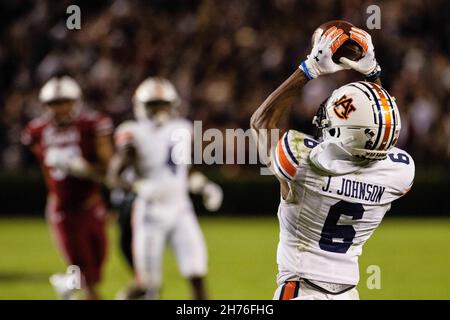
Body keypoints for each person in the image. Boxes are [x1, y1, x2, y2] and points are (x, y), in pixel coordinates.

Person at [250, 26, 415, 300]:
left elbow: (261, 121)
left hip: (301, 290)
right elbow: (376, 132)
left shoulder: (302, 161)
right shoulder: (399, 173)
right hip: (349, 294)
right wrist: (373, 74)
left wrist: (309, 68)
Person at [108, 77, 223, 300]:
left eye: (163, 105)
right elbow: (114, 175)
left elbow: (180, 170)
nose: (159, 110)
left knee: (197, 272)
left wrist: (204, 186)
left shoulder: (182, 128)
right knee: (147, 286)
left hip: (181, 210)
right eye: (153, 105)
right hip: (149, 213)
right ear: (141, 106)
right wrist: (138, 186)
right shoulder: (133, 132)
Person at [21, 76, 114, 299]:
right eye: (54, 103)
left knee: (98, 262)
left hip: (91, 203)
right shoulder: (38, 129)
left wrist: (82, 169)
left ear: (75, 101)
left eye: (64, 102)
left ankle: (66, 285)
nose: (59, 108)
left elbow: (107, 167)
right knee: (86, 272)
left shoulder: (91, 124)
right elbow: (42, 163)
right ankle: (79, 289)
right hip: (63, 208)